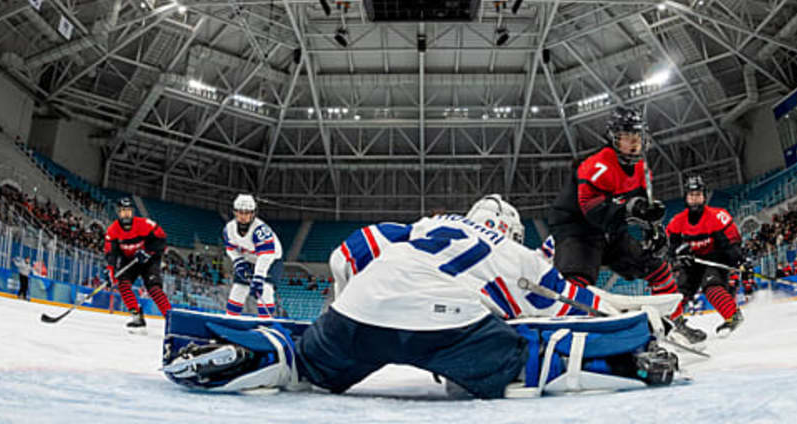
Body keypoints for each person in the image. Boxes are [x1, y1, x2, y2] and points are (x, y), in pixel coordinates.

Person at [163, 195, 679, 397]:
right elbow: (560, 298)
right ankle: (626, 358)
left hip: (359, 310)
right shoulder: (512, 252)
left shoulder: (427, 223)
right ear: (505, 226)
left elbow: (347, 255)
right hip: (445, 324)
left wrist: (345, 306)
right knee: (524, 355)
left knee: (308, 368)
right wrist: (623, 310)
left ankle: (260, 357)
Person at [547, 106, 693, 342]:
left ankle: (676, 322)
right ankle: (570, 334)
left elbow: (642, 209)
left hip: (611, 230)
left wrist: (655, 231)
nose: (634, 144)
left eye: (638, 137)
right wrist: (631, 209)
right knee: (577, 279)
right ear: (614, 139)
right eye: (627, 138)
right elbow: (593, 212)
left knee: (657, 267)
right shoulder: (595, 165)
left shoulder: (641, 169)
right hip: (577, 229)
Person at [667, 176, 745, 337]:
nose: (694, 199)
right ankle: (674, 324)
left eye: (698, 195)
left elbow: (732, 244)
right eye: (691, 195)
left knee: (712, 287)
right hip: (691, 263)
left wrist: (738, 260)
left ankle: (733, 316)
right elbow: (670, 249)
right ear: (686, 197)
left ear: (704, 196)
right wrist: (677, 256)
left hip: (715, 260)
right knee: (679, 293)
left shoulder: (718, 216)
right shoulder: (676, 222)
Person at [103, 197, 171, 329]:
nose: (126, 213)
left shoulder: (145, 224)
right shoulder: (112, 230)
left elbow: (161, 240)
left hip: (149, 260)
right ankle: (136, 316)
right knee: (123, 285)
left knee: (154, 288)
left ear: (133, 212)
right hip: (129, 261)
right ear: (118, 212)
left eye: (128, 210)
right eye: (123, 211)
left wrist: (148, 251)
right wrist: (110, 269)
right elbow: (111, 252)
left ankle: (171, 318)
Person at [222, 194, 283, 317]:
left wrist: (259, 277)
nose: (243, 216)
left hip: (271, 260)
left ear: (253, 213)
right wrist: (238, 262)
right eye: (240, 212)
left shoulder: (260, 230)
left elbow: (265, 256)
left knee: (265, 290)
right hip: (248, 259)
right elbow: (231, 249)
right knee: (238, 289)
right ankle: (231, 318)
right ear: (235, 212)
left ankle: (266, 323)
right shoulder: (229, 229)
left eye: (247, 213)